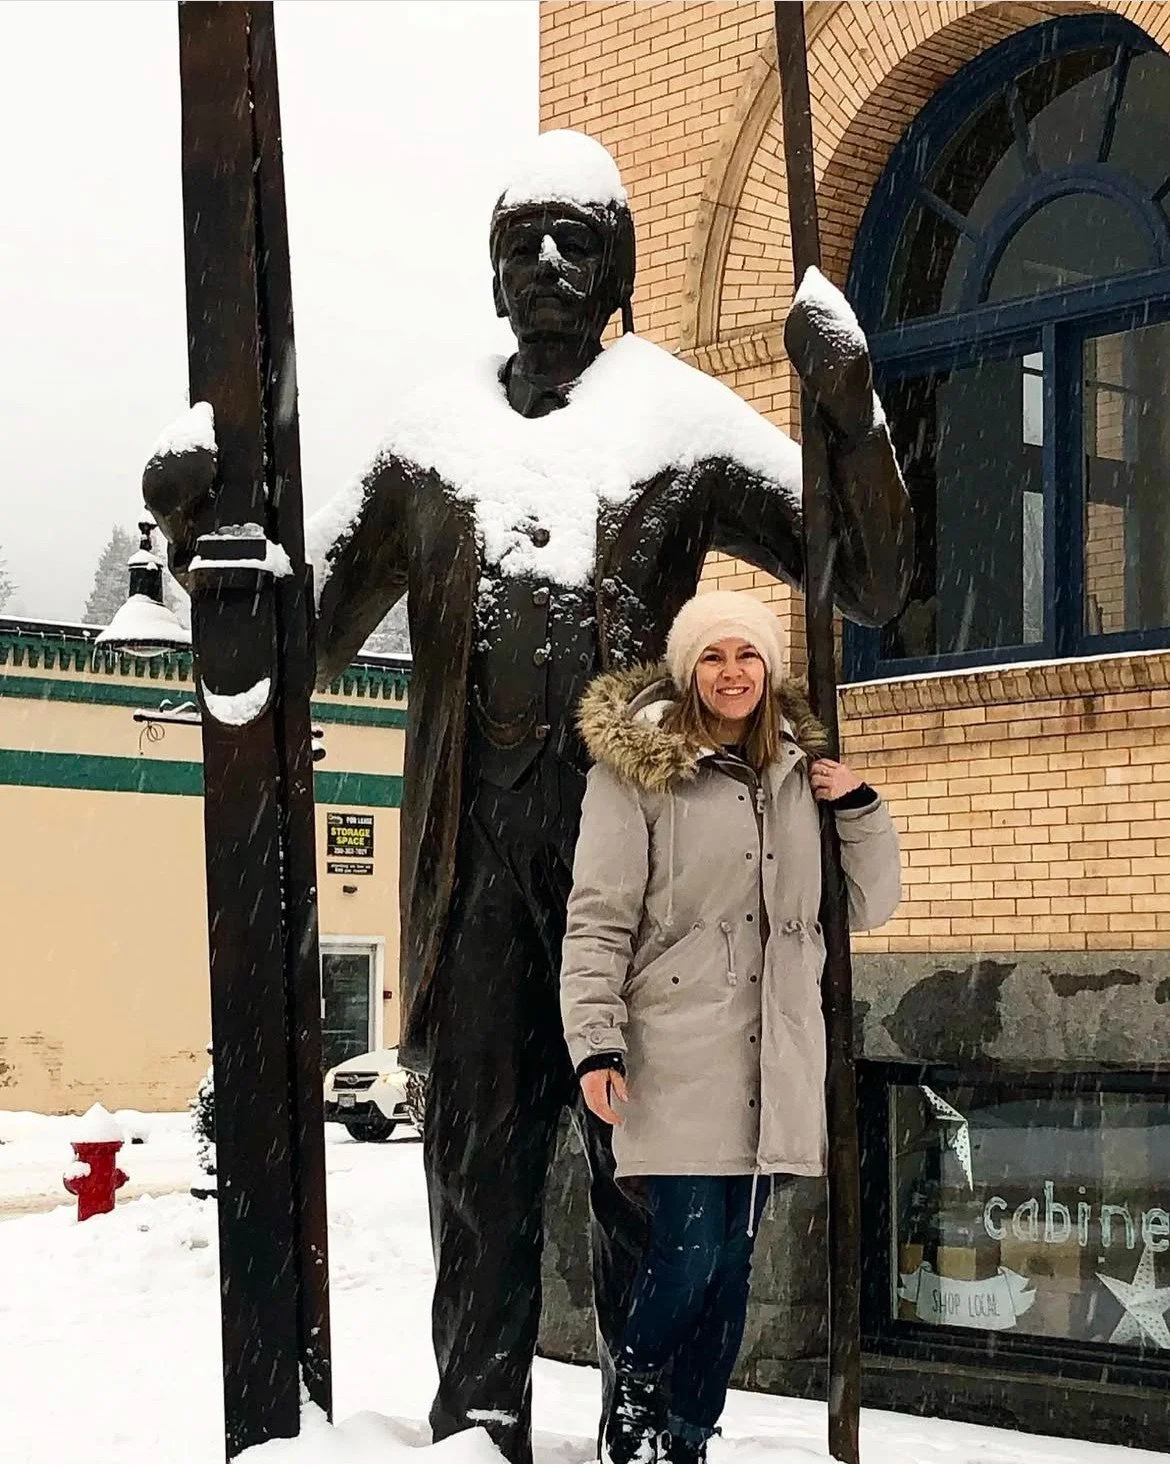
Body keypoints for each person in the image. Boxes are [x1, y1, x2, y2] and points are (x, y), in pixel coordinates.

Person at [144, 129, 911, 1464]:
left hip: (641, 886)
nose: (549, 263)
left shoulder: (677, 421)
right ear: (492, 272)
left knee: (644, 1180)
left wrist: (845, 415)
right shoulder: (429, 444)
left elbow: (867, 577)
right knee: (480, 1173)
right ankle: (477, 1421)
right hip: (474, 864)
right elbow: (296, 649)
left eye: (576, 240)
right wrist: (192, 544)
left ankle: (645, 1423)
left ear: (616, 267)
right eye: (523, 242)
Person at [561, 590, 902, 1464]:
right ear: (687, 671)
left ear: (769, 670)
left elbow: (869, 906)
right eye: (712, 657)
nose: (731, 673)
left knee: (733, 1267)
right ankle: (634, 1400)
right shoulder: (636, 774)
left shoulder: (801, 775)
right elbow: (598, 918)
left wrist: (858, 807)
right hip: (676, 1050)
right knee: (686, 1253)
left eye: (747, 656)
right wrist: (595, 1042)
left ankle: (689, 1431)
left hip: (777, 1054)